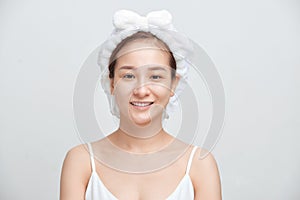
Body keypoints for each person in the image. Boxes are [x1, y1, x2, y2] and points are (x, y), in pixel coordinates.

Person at [60, 10, 222, 200]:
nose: (141, 90)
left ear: (173, 84)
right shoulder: (81, 162)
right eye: (128, 76)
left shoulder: (199, 165)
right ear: (111, 83)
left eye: (155, 76)